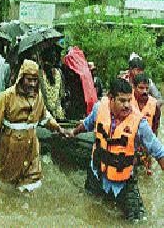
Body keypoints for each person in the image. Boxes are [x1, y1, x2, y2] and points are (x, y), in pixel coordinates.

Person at [67, 78, 164, 221]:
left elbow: (159, 152)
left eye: (129, 100)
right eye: (122, 101)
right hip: (97, 174)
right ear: (110, 98)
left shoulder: (139, 123)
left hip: (124, 182)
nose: (127, 105)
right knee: (90, 209)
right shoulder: (99, 108)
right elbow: (87, 124)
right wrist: (73, 132)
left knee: (139, 221)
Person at [0, 59, 66, 193]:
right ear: (21, 78)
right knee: (8, 191)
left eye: (35, 80)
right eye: (29, 79)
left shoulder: (38, 97)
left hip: (32, 153)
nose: (32, 84)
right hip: (10, 153)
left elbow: (45, 117)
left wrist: (58, 128)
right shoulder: (6, 97)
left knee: (32, 190)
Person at [132, 73, 161, 175]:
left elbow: (155, 128)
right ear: (133, 87)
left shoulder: (155, 105)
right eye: (141, 88)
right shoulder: (127, 101)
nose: (144, 91)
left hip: (146, 138)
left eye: (146, 88)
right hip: (130, 139)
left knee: (148, 171)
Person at [39, 47, 65, 120]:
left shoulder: (39, 74)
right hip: (58, 115)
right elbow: (62, 95)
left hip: (43, 116)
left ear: (41, 59)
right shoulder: (59, 73)